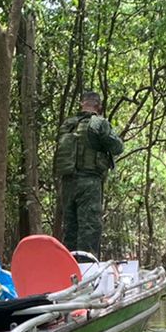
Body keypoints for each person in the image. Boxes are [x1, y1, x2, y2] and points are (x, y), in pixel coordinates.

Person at [53, 90, 124, 256]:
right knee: (89, 229)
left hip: (67, 183)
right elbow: (117, 147)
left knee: (70, 229)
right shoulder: (99, 123)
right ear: (99, 106)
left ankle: (68, 268)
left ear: (81, 104)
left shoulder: (68, 124)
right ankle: (88, 269)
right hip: (89, 182)